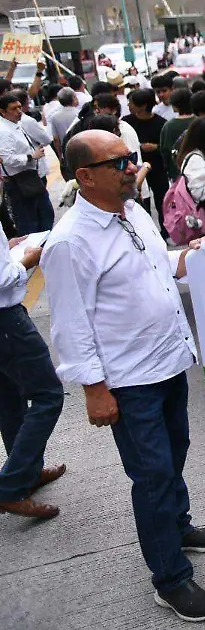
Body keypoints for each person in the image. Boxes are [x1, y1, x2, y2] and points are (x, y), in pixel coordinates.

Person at [44, 130, 205, 623]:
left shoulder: (133, 211)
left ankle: (178, 527)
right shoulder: (70, 242)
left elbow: (155, 265)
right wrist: (94, 389)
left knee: (175, 454)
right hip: (128, 381)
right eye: (118, 162)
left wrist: (187, 258)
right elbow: (70, 324)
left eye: (129, 158)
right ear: (85, 177)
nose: (131, 166)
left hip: (167, 361)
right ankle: (170, 578)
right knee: (152, 475)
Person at [0, 221, 65, 519]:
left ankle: (27, 472)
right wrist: (27, 259)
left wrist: (7, 248)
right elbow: (3, 278)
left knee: (10, 398)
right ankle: (12, 486)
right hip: (6, 320)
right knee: (48, 395)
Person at [0, 93, 51, 236]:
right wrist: (31, 156)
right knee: (29, 223)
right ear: (3, 112)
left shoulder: (15, 123)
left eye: (19, 107)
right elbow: (7, 159)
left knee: (44, 215)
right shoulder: (4, 131)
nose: (19, 111)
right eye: (13, 109)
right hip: (19, 181)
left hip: (30, 177)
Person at [124, 88, 169, 231]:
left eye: (131, 103)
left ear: (143, 106)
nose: (128, 105)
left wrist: (156, 147)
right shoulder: (126, 123)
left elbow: (168, 146)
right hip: (136, 168)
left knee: (162, 200)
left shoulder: (161, 123)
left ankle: (165, 231)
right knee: (140, 201)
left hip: (157, 167)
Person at [158, 88, 195, 181]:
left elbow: (164, 150)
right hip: (198, 168)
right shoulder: (199, 120)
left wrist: (167, 168)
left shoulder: (168, 126)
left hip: (176, 170)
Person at [49, 87, 80, 157]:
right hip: (80, 150)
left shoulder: (54, 117)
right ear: (73, 98)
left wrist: (60, 155)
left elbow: (56, 139)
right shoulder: (79, 114)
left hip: (65, 151)